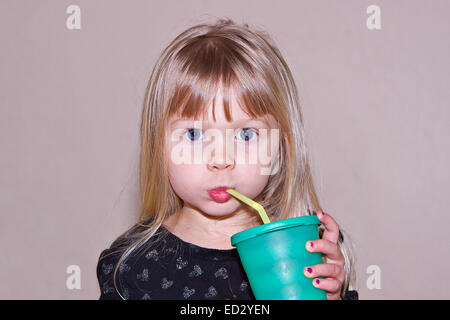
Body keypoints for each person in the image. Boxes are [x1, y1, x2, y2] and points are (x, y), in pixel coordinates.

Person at [97, 17, 358, 300]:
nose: (221, 159)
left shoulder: (306, 249)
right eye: (194, 135)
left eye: (246, 135)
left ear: (280, 147)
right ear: (158, 146)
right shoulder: (131, 265)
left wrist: (329, 296)